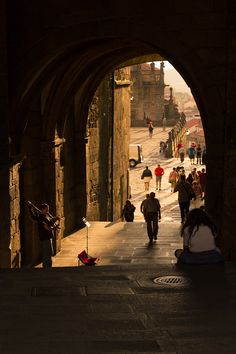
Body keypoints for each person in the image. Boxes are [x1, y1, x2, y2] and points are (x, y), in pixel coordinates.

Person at [28, 202, 60, 268]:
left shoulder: (45, 216)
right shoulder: (41, 218)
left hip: (48, 237)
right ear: (42, 210)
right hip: (45, 238)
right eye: (46, 210)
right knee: (47, 253)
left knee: (50, 252)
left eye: (48, 209)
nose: (47, 211)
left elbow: (50, 222)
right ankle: (46, 267)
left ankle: (48, 266)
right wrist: (54, 228)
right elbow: (47, 228)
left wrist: (56, 219)